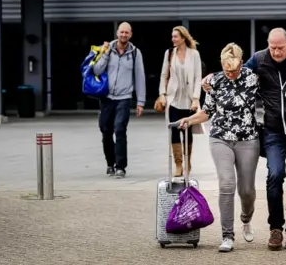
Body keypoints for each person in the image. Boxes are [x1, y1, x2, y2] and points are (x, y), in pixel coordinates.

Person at [202, 28, 286, 251]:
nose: (276, 51)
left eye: (280, 47)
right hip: (273, 130)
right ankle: (275, 228)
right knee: (275, 175)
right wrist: (213, 78)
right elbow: (237, 73)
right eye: (272, 47)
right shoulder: (260, 58)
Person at [177, 43, 259, 253]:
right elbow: (208, 111)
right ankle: (227, 235)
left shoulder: (253, 77)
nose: (230, 74)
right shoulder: (215, 81)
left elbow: (274, 93)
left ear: (242, 62)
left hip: (248, 139)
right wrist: (190, 119)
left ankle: (246, 218)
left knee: (247, 191)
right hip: (220, 137)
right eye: (226, 69)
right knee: (226, 185)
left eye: (234, 69)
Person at [93, 22, 146, 178]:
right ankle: (110, 163)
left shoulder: (135, 53)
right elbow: (96, 70)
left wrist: (140, 102)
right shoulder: (107, 49)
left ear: (131, 34)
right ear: (117, 33)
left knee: (120, 129)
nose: (124, 35)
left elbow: (140, 77)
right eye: (121, 32)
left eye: (127, 33)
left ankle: (121, 166)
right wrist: (106, 53)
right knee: (105, 130)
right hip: (107, 98)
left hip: (124, 98)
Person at [156, 26, 203, 177]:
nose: (173, 39)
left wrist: (196, 98)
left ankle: (187, 161)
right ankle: (178, 164)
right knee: (174, 131)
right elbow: (164, 75)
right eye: (172, 36)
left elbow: (197, 77)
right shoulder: (169, 53)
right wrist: (162, 94)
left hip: (189, 100)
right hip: (173, 99)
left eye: (175, 36)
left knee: (187, 132)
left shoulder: (194, 54)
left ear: (183, 37)